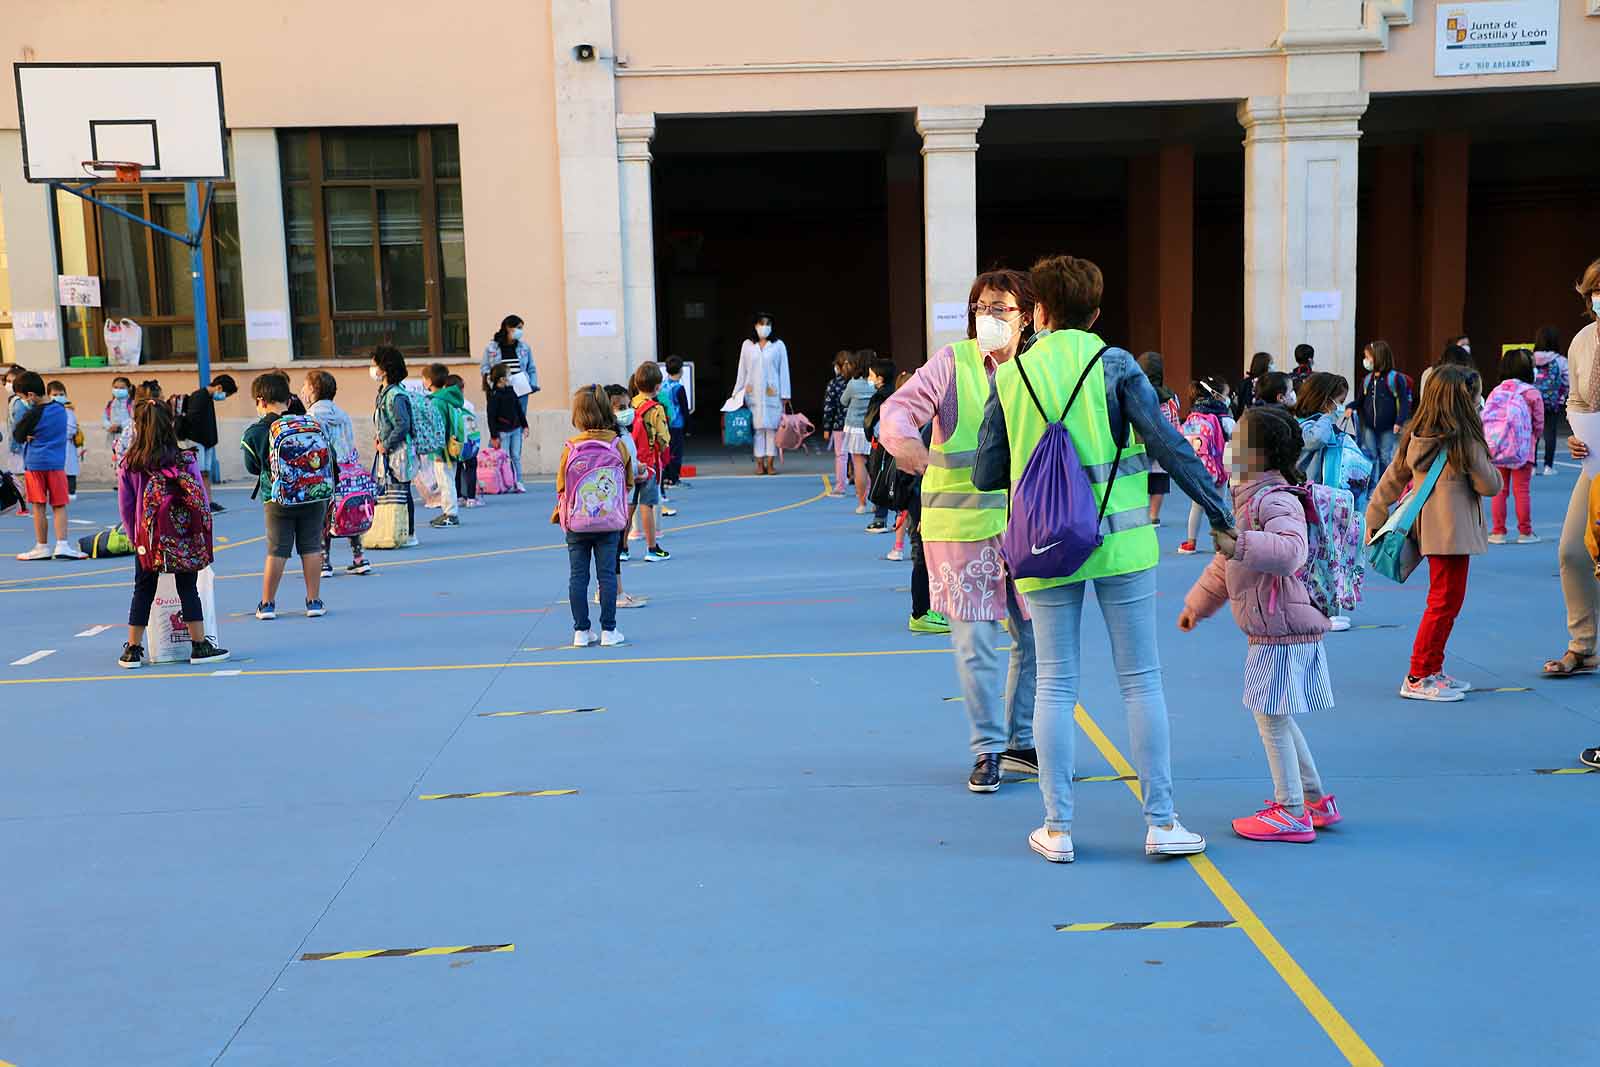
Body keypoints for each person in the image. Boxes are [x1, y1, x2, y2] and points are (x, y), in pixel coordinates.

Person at [973, 254, 1234, 862]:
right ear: (1095, 312)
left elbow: (988, 472)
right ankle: (1162, 821)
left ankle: (1058, 828)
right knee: (1141, 681)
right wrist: (1220, 515)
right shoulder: (1115, 364)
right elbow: (1171, 446)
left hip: (1043, 546)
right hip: (1121, 543)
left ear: (1038, 311)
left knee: (1056, 684)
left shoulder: (1010, 376)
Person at [880, 268, 1038, 791]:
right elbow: (899, 410)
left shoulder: (1041, 365)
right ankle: (988, 749)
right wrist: (907, 443)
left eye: (1001, 308)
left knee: (1037, 638)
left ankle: (1020, 742)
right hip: (964, 528)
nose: (989, 318)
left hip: (1031, 529)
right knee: (977, 644)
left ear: (1028, 315)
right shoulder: (953, 365)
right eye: (981, 308)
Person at [1179, 405, 1338, 843]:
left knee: (1270, 717)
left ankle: (1290, 809)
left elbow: (1290, 552)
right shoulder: (1247, 498)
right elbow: (1223, 563)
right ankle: (1313, 799)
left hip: (1280, 629)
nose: (1230, 449)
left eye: (1238, 443)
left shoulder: (1276, 498)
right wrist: (1198, 604)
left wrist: (1241, 542)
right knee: (1278, 716)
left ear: (1261, 454)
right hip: (1275, 626)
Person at [1365, 365, 1500, 701]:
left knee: (1444, 600)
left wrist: (1374, 517)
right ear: (1463, 399)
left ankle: (1432, 667)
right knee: (1444, 602)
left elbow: (1392, 480)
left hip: (1429, 528)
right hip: (1454, 531)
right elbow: (1490, 484)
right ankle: (1419, 673)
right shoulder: (1464, 441)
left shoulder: (1416, 434)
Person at [115, 400, 229, 669]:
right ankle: (199, 645)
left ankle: (132, 649)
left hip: (148, 538)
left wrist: (136, 539)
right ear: (171, 424)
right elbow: (199, 496)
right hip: (183, 535)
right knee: (188, 588)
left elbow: (126, 506)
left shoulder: (130, 464)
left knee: (142, 589)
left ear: (138, 426)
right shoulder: (185, 459)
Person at [243, 373, 332, 620]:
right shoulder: (310, 423)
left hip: (277, 498)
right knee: (312, 546)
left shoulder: (257, 431)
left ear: (261, 399)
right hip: (314, 496)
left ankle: (268, 604)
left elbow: (252, 466)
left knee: (277, 550)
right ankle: (313, 601)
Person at [1551, 258, 1600, 680]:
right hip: (1595, 461)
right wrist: (1577, 431)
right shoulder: (1583, 340)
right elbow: (1578, 400)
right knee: (1571, 549)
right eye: (1595, 292)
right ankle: (1582, 646)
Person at [555, 386, 632, 648]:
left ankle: (581, 631)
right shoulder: (616, 445)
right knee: (606, 575)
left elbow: (561, 487)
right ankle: (609, 630)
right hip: (609, 522)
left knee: (578, 576)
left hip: (577, 523)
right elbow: (628, 482)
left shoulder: (571, 447)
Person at [10, 371, 87, 560]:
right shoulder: (61, 410)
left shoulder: (33, 413)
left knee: (38, 506)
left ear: (30, 395)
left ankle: (42, 546)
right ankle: (62, 544)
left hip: (35, 464)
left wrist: (28, 435)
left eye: (21, 397)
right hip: (56, 464)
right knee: (59, 505)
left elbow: (18, 435)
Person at [303, 370, 371, 577]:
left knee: (323, 515)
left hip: (326, 472)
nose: (302, 391)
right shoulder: (342, 414)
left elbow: (313, 447)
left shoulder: (311, 416)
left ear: (313, 390)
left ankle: (324, 561)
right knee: (350, 510)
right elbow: (350, 443)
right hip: (349, 471)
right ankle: (359, 558)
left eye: (305, 386)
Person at [1485, 349, 1544, 546]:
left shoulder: (1496, 391)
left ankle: (1498, 531)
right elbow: (1539, 423)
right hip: (1523, 450)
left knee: (1500, 491)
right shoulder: (1532, 393)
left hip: (1498, 447)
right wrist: (1532, 439)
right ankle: (1525, 532)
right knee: (1522, 491)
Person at [1178, 376, 1236, 555]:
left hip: (1198, 469)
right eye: (1227, 394)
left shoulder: (1193, 415)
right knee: (1219, 506)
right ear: (1217, 396)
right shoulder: (1224, 419)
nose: (1230, 397)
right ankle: (1218, 544)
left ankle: (1190, 542)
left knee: (1197, 505)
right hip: (1219, 470)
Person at [730, 311, 791, 475]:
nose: (764, 327)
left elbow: (784, 371)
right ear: (755, 326)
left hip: (773, 394)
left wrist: (785, 394)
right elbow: (741, 370)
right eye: (761, 324)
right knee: (758, 430)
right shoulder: (747, 345)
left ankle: (770, 464)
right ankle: (759, 463)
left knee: (772, 430)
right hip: (753, 393)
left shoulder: (778, 345)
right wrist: (737, 393)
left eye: (767, 324)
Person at [372, 346, 419, 546]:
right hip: (389, 449)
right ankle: (396, 531)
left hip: (398, 451)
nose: (372, 369)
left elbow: (403, 424)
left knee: (402, 491)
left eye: (375, 365)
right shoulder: (385, 392)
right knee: (392, 491)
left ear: (385, 368)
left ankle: (408, 533)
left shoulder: (396, 395)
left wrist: (387, 443)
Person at [177, 374, 238, 512]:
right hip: (197, 442)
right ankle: (198, 502)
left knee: (205, 473)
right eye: (225, 394)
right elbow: (192, 421)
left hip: (206, 442)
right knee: (198, 473)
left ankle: (208, 501)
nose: (224, 397)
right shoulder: (199, 396)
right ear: (219, 387)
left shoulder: (207, 397)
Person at [629, 363, 671, 561]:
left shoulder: (629, 405)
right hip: (649, 464)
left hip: (630, 462)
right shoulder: (656, 410)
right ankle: (652, 548)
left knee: (629, 504)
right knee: (647, 504)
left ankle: (622, 548)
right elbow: (664, 439)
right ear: (657, 387)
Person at [1136, 351, 1180, 527]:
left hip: (1140, 444)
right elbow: (1175, 419)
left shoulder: (1135, 393)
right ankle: (1154, 515)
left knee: (1139, 479)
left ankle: (1140, 513)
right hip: (1163, 444)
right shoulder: (1170, 396)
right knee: (1159, 481)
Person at [1355, 340, 1412, 473]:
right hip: (1369, 426)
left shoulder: (1395, 378)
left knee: (1385, 457)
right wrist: (1348, 407)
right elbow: (1360, 400)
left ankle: (1384, 486)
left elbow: (1404, 402)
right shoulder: (1367, 379)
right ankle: (1372, 486)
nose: (1365, 361)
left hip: (1389, 426)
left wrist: (1399, 421)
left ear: (1378, 358)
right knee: (1370, 456)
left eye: (1368, 357)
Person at [423, 363, 464, 529]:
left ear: (429, 381)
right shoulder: (448, 398)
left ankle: (451, 514)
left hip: (443, 450)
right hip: (452, 446)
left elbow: (438, 429)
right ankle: (448, 511)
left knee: (445, 482)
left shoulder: (437, 402)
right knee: (447, 480)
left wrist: (438, 451)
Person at [862, 356, 898, 534]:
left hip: (881, 445)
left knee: (878, 477)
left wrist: (869, 434)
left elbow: (869, 423)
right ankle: (900, 517)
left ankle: (880, 519)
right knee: (896, 479)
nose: (868, 379)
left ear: (880, 378)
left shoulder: (879, 397)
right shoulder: (898, 393)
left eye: (871, 375)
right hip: (897, 443)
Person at [839, 352, 876, 510]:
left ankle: (862, 503)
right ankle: (877, 503)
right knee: (874, 465)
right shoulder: (875, 384)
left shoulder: (853, 384)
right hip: (872, 427)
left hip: (854, 428)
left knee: (858, 464)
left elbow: (843, 401)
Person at [481, 314, 537, 418]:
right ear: (508, 328)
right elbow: (485, 368)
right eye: (518, 328)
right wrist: (493, 384)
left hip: (521, 390)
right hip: (500, 391)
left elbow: (531, 369)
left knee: (520, 420)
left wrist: (532, 385)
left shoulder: (524, 347)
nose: (521, 331)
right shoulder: (492, 347)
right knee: (501, 422)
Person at [486, 363, 529, 493]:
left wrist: (525, 425)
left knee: (515, 456)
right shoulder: (494, 395)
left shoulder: (511, 391)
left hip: (515, 429)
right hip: (502, 432)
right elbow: (491, 417)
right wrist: (494, 436)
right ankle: (502, 482)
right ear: (501, 379)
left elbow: (518, 409)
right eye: (508, 375)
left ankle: (519, 482)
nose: (511, 377)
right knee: (503, 458)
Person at [1532, 325, 1569, 476]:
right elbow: (1568, 381)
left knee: (1533, 433)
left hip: (1532, 401)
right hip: (1552, 402)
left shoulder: (1530, 358)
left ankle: (1532, 466)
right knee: (1550, 432)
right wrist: (1561, 396)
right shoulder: (1560, 360)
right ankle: (1548, 466)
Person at [445, 374, 481, 509]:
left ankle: (459, 496)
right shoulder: (468, 404)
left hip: (454, 441)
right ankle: (471, 498)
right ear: (462, 388)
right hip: (469, 441)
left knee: (457, 468)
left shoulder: (447, 404)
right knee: (471, 467)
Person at [45, 380, 85, 500]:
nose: (58, 397)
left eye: (61, 394)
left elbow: (71, 428)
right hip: (54, 444)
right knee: (57, 470)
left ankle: (71, 491)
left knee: (70, 469)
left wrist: (57, 434)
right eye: (55, 395)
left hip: (66, 443)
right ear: (48, 396)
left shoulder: (68, 410)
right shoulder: (47, 410)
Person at [821, 350, 853, 496]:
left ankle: (840, 486)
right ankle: (865, 489)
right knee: (859, 457)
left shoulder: (833, 384)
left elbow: (829, 407)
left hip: (839, 425)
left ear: (838, 367)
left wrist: (826, 428)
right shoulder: (857, 383)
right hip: (856, 425)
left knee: (841, 456)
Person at [5, 366, 33, 515]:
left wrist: (15, 444)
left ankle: (23, 504)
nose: (7, 385)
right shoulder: (22, 401)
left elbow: (17, 424)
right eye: (6, 381)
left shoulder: (17, 402)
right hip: (21, 444)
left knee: (19, 476)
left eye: (11, 381)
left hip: (19, 445)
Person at [661, 355, 690, 489]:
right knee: (676, 453)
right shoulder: (679, 388)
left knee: (666, 451)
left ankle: (666, 478)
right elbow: (684, 409)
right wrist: (688, 427)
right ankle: (674, 478)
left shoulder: (662, 386)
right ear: (680, 370)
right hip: (677, 425)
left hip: (664, 424)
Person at [103, 374, 134, 470]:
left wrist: (120, 426)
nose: (118, 390)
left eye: (122, 388)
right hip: (114, 438)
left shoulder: (131, 403)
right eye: (116, 387)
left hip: (128, 439)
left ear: (128, 388)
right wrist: (109, 426)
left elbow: (134, 419)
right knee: (116, 463)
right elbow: (105, 418)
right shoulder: (110, 403)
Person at [1233, 351, 1273, 417]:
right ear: (1264, 365)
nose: (1273, 366)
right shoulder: (1268, 383)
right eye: (1271, 363)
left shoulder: (1244, 382)